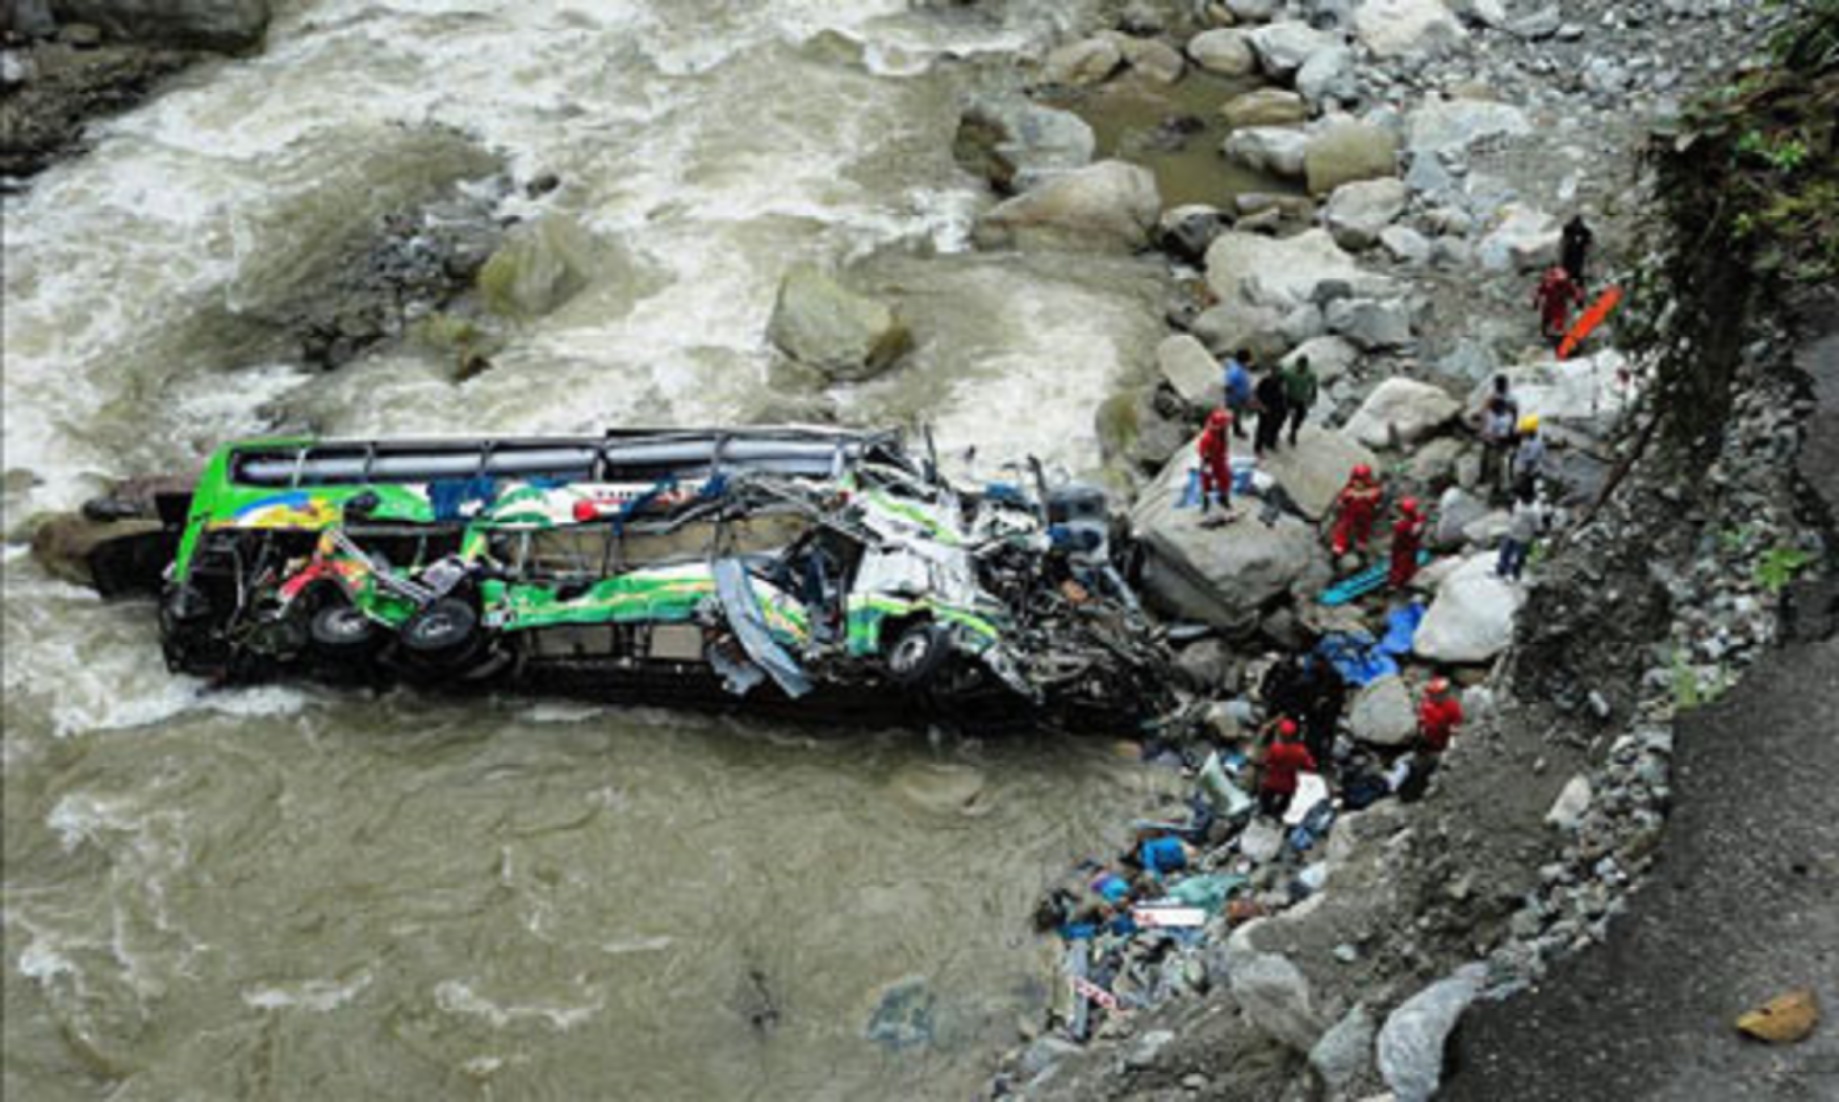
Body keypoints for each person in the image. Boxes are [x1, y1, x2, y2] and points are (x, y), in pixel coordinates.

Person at [1258, 718, 1317, 818]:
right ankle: (1278, 814)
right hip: (1289, 783)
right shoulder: (1301, 751)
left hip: (1272, 780)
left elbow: (1266, 761)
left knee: (1265, 798)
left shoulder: (1275, 748)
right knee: (1286, 800)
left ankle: (1266, 812)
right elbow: (1311, 767)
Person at [1496, 484, 1550, 580]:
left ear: (1531, 498)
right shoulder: (1519, 501)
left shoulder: (1536, 510)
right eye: (1522, 497)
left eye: (1525, 498)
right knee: (1505, 552)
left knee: (1519, 557)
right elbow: (1514, 511)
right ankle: (1502, 570)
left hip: (1523, 538)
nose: (1523, 499)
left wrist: (1538, 537)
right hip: (1511, 532)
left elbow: (1538, 527)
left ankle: (1516, 573)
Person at [1330, 464, 1383, 556]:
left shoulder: (1373, 490)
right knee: (1344, 527)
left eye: (1361, 481)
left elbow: (1376, 497)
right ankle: (1339, 545)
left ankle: (1361, 543)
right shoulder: (1350, 489)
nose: (1357, 483)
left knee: (1364, 528)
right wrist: (1343, 501)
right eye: (1356, 480)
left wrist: (1363, 495)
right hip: (1350, 514)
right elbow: (1343, 498)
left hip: (1366, 514)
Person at [1534, 265, 1584, 345]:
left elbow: (1574, 292)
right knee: (1547, 324)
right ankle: (1551, 336)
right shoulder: (1548, 283)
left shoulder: (1564, 284)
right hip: (1549, 309)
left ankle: (1560, 337)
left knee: (1557, 322)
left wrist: (1578, 299)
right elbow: (1539, 292)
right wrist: (1536, 302)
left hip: (1558, 309)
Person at [1196, 408, 1234, 514]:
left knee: (1225, 479)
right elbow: (1202, 451)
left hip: (1220, 459)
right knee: (1206, 483)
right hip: (1209, 462)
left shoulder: (1222, 434)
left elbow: (1223, 447)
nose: (1227, 425)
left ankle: (1223, 498)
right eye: (1226, 424)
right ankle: (1206, 503)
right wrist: (1206, 459)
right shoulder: (1208, 438)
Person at [1388, 496, 1427, 589]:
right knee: (1409, 562)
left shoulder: (1402, 526)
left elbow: (1400, 529)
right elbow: (1420, 519)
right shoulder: (1418, 521)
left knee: (1399, 564)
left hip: (1402, 546)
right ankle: (1407, 577)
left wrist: (1396, 523)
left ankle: (1396, 583)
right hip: (1412, 546)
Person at [1417, 676, 1464, 753]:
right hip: (1429, 738)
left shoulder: (1452, 706)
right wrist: (1422, 731)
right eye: (1431, 693)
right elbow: (1422, 719)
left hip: (1443, 737)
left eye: (1436, 694)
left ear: (1445, 694)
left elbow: (1456, 725)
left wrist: (1452, 739)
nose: (1433, 696)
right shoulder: (1426, 703)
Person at [1280, 356, 1318, 447]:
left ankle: (1293, 433)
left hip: (1301, 399)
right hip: (1289, 397)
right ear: (1297, 364)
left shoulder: (1310, 374)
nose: (1302, 367)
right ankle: (1276, 431)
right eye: (1300, 365)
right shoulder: (1289, 371)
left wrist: (1313, 397)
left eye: (1304, 365)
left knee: (1299, 417)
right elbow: (1280, 380)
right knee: (1282, 415)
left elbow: (1314, 386)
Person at [1253, 366, 1289, 457]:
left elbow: (1283, 394)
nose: (1276, 375)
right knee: (1262, 428)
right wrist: (1261, 406)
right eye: (1275, 373)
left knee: (1275, 425)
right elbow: (1256, 394)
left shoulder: (1281, 381)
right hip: (1265, 408)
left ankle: (1270, 442)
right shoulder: (1264, 381)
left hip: (1277, 408)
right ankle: (1258, 448)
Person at [1510, 414, 1547, 499]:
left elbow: (1530, 460)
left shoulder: (1535, 443)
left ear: (1530, 430)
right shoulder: (1530, 440)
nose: (1522, 431)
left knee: (1524, 493)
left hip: (1528, 473)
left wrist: (1523, 474)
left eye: (1524, 430)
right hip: (1527, 472)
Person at [1222, 349, 1253, 439]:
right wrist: (1238, 397)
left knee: (1237, 414)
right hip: (1236, 399)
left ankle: (1236, 428)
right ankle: (1237, 431)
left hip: (1240, 397)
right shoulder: (1235, 372)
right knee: (1236, 414)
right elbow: (1228, 387)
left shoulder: (1240, 367)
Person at [1561, 214, 1594, 284]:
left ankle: (1577, 282)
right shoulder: (1568, 229)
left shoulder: (1585, 232)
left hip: (1578, 254)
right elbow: (1565, 238)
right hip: (1570, 254)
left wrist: (1586, 244)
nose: (1577, 227)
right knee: (1569, 270)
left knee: (1577, 269)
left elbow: (1588, 241)